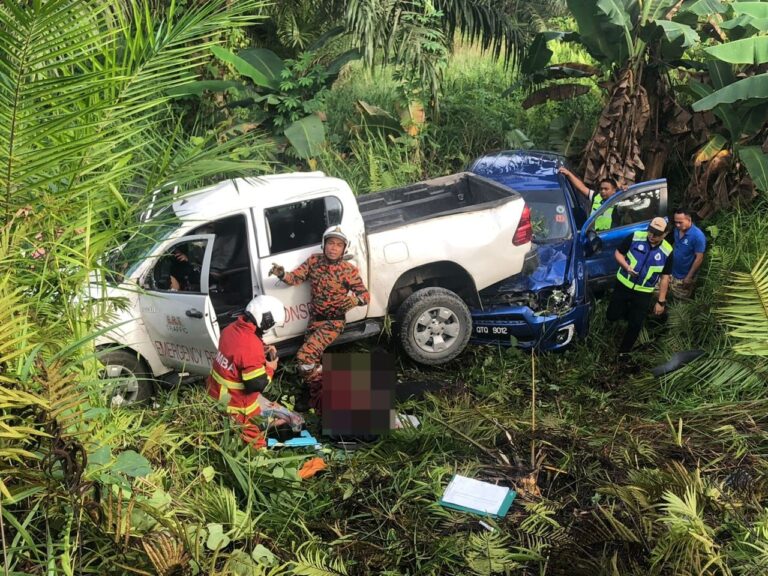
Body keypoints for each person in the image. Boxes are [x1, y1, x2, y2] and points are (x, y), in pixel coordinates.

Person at [269, 226, 370, 411]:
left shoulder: (348, 270)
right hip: (314, 320)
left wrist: (355, 300)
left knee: (304, 356)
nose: (334, 248)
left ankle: (331, 390)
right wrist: (281, 274)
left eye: (339, 245)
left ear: (344, 249)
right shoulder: (314, 261)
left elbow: (365, 296)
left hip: (333, 322)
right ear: (324, 244)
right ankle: (313, 395)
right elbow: (295, 278)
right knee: (312, 361)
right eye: (331, 243)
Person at [207, 295, 303, 448]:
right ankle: (260, 458)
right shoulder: (250, 347)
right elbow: (257, 385)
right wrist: (271, 368)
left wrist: (261, 348)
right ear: (267, 321)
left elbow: (238, 353)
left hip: (215, 394)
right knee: (255, 445)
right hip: (236, 406)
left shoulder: (230, 329)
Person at [607, 217, 674, 356]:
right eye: (651, 231)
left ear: (665, 234)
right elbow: (618, 253)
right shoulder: (636, 236)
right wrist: (626, 267)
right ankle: (624, 314)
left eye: (657, 234)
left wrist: (661, 301)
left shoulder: (667, 251)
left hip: (644, 292)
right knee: (612, 315)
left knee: (636, 324)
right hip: (623, 284)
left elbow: (665, 277)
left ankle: (624, 352)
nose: (652, 236)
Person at [557, 167, 620, 231]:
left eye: (606, 189)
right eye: (601, 189)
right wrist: (568, 174)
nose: (603, 191)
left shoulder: (619, 201)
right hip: (594, 234)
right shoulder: (596, 197)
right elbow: (581, 188)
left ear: (614, 190)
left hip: (610, 234)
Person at [670, 207, 706, 299]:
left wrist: (689, 277)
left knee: (680, 301)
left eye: (680, 222)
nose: (677, 225)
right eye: (676, 222)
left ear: (689, 219)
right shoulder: (677, 230)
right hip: (672, 272)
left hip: (684, 276)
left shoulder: (698, 236)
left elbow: (699, 258)